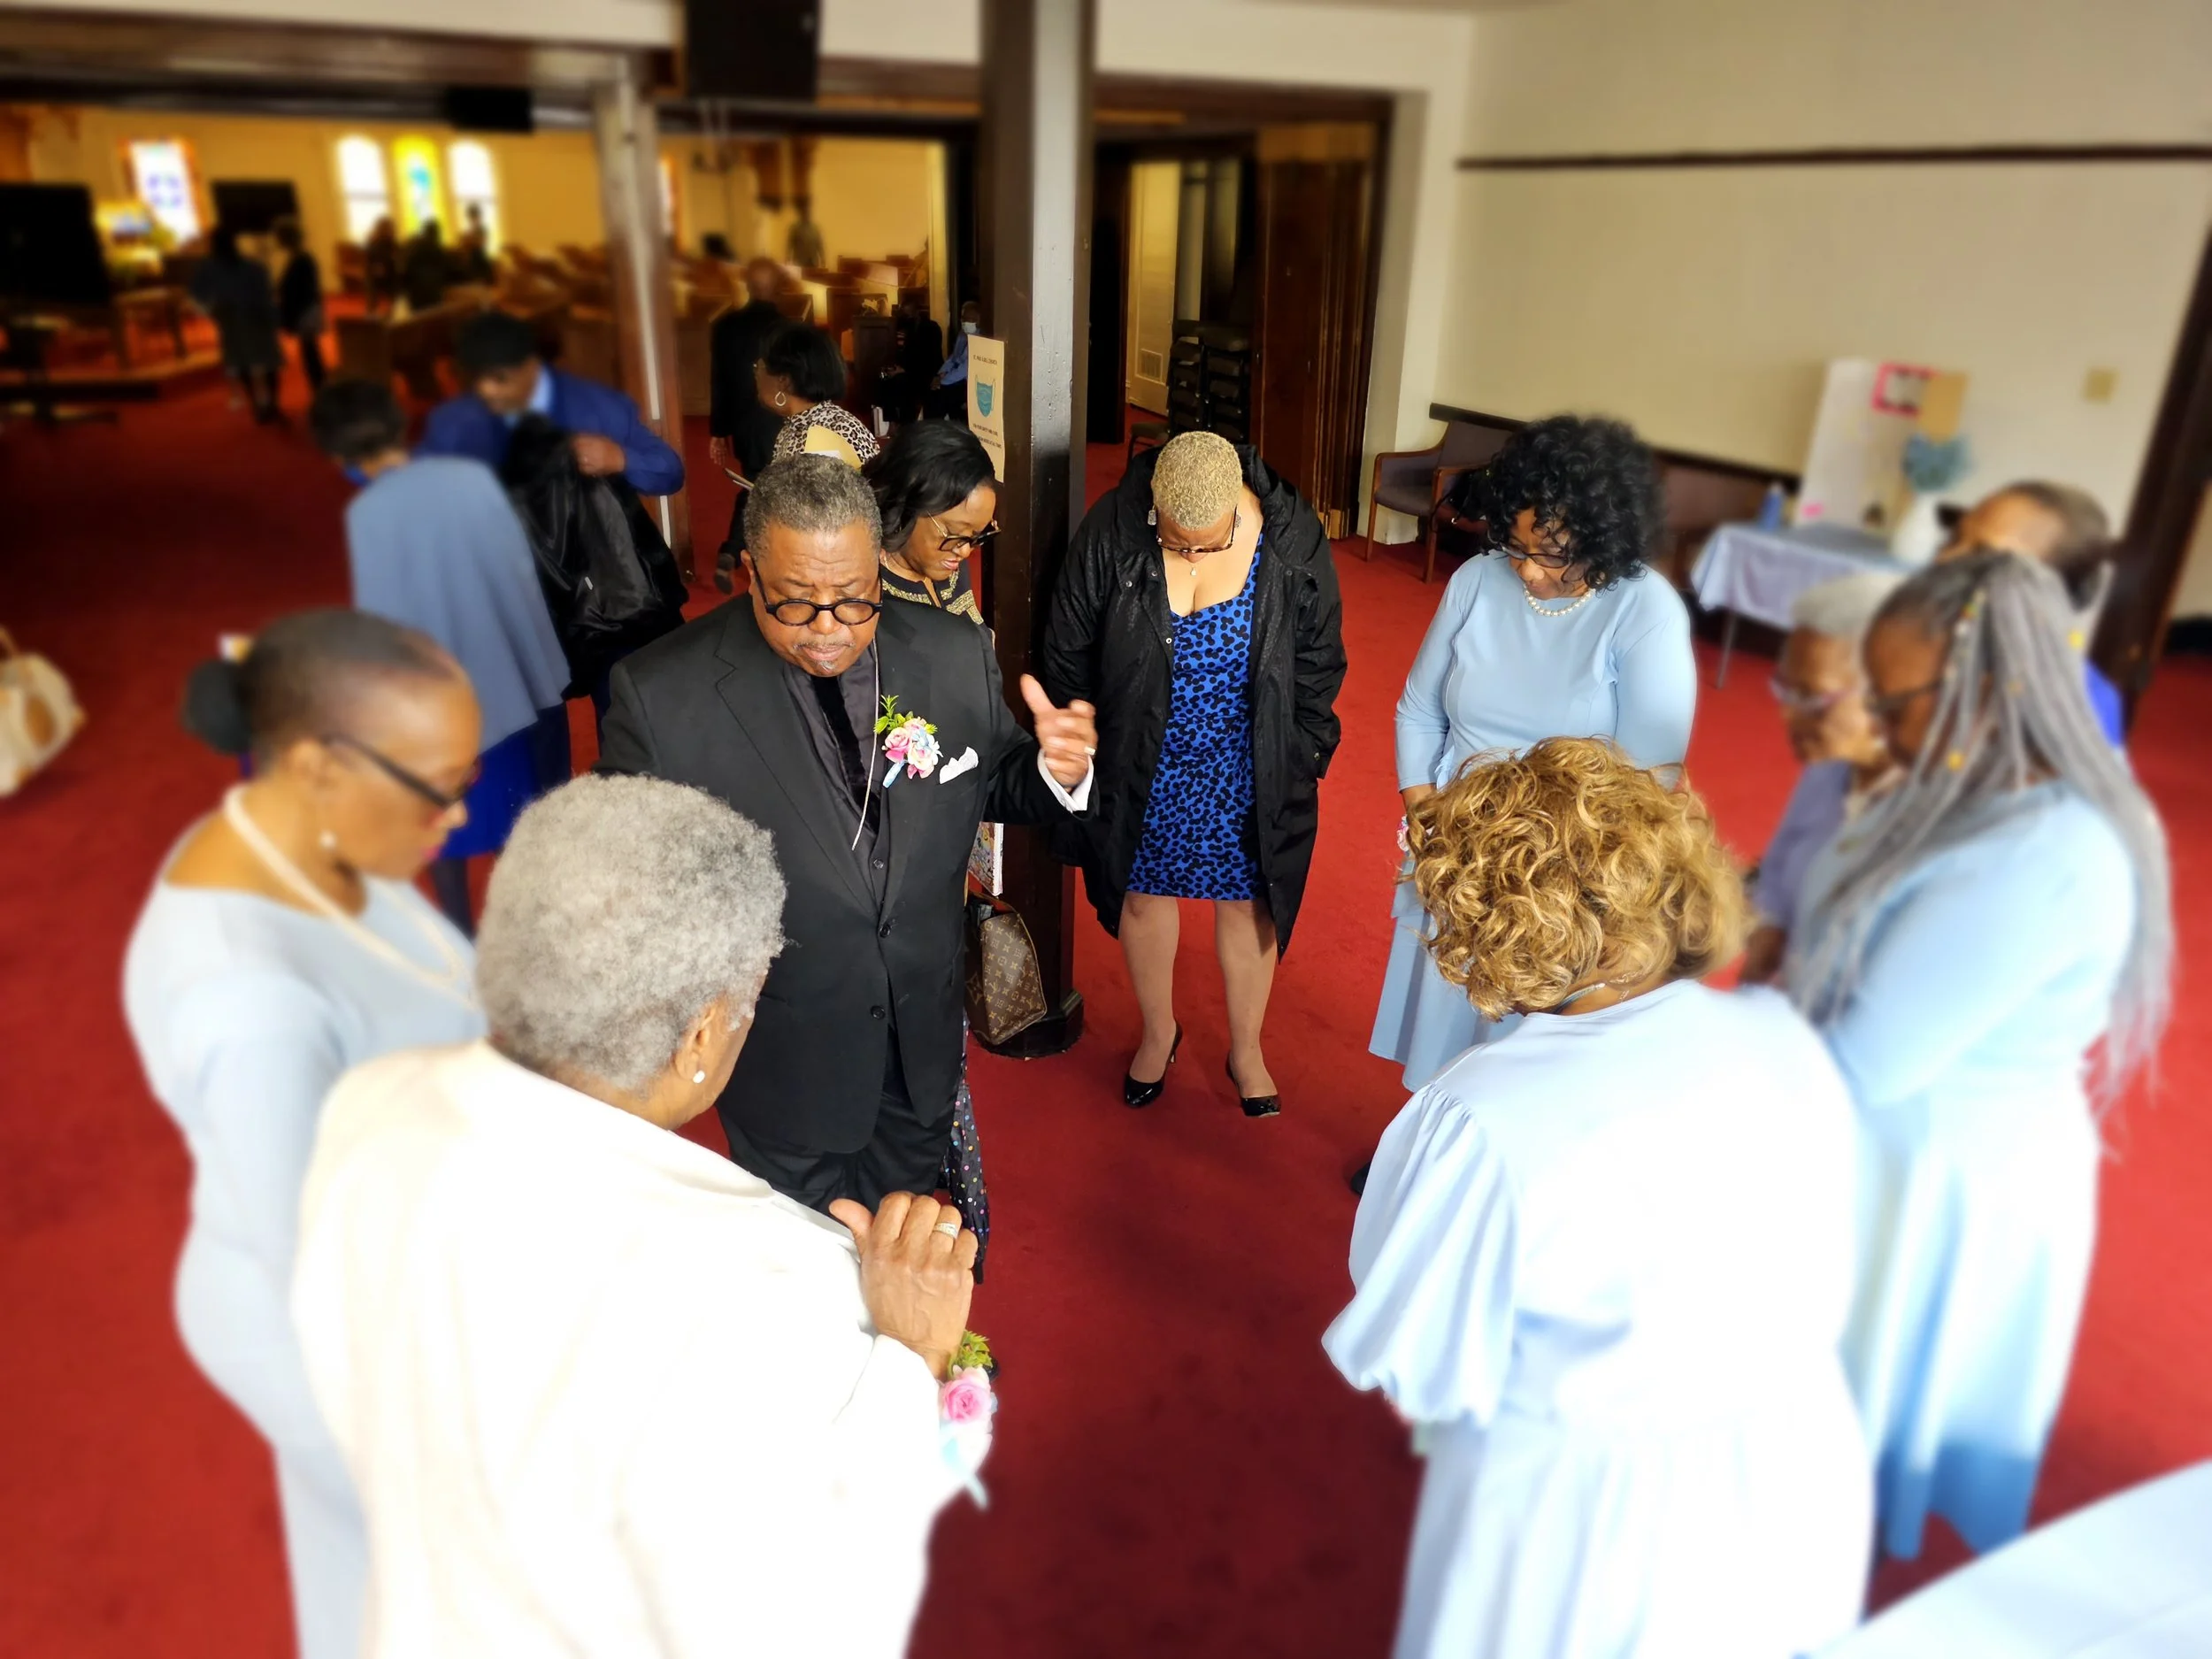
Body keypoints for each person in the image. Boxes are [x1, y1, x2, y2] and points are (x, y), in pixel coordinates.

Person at [292, 774, 989, 1657]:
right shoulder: (793, 1275)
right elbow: (826, 1596)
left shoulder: (364, 1107)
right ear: (700, 1037)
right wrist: (914, 1356)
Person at [1325, 739, 1870, 1659]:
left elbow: (1420, 1359)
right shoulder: (1781, 1038)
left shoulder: (1476, 1116)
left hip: (1586, 1524)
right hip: (1797, 1470)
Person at [1788, 551, 2172, 1562]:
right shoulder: (1961, 780)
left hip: (1933, 1168)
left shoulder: (2044, 860)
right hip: (1884, 1134)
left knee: (1846, 1428)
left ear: (1983, 690)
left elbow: (1862, 1060)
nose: (1874, 714)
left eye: (1893, 695)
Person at [122, 611, 487, 1659]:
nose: (457, 814)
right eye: (438, 784)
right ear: (322, 763)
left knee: (360, 1574)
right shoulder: (252, 1000)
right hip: (339, 1333)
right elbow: (321, 1266)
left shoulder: (308, 833)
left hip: (394, 1255)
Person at [597, 456, 1098, 1213]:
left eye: (855, 601)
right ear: (750, 575)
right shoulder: (662, 696)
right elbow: (628, 893)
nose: (829, 629)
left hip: (921, 1042)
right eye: (797, 604)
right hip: (787, 1062)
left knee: (904, 1236)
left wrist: (1058, 770)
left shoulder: (953, 653)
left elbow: (989, 782)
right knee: (803, 1280)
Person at [1370, 415, 1694, 1092]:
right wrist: (1425, 810)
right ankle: (1429, 1138)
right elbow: (1418, 711)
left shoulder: (1644, 612)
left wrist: (1535, 869)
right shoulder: (1476, 583)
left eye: (1550, 555)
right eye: (1514, 545)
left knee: (1523, 1046)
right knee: (1444, 1015)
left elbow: (1645, 788)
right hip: (1454, 849)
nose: (1525, 569)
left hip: (1562, 876)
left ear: (1605, 540)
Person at [1042, 431, 1346, 1115]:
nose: (1193, 555)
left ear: (1239, 507)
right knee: (1142, 896)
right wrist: (1080, 734)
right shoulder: (1113, 532)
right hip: (1141, 754)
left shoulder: (1291, 538)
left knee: (1249, 902)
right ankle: (1159, 1031)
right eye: (1179, 542)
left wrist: (1303, 753)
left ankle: (1246, 1047)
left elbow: (1320, 658)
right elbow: (1068, 645)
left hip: (1248, 756)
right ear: (1154, 508)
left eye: (1210, 542)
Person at [308, 378, 573, 933]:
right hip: (519, 678)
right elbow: (522, 577)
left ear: (337, 452)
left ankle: (461, 933)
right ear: (399, 423)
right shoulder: (472, 478)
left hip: (447, 698)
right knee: (525, 817)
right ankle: (531, 934)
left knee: (444, 828)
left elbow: (390, 629)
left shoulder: (370, 512)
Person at [1738, 570, 1903, 986]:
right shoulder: (1830, 768)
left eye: (1812, 696)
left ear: (1889, 691)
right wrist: (1769, 929)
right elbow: (1777, 869)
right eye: (1785, 689)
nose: (1787, 714)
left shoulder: (1934, 818)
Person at [419, 309, 685, 499]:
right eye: (477, 379)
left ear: (531, 367)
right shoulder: (454, 419)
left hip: (581, 568)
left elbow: (670, 473)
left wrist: (621, 459)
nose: (486, 391)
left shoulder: (597, 409)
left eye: (500, 379)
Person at [1939, 480, 2125, 742]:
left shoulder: (2084, 706)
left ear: (2054, 594)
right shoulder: (1905, 638)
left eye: (1984, 557)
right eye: (1954, 539)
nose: (1946, 559)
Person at [709, 257, 796, 591]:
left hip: (743, 424)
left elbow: (718, 382)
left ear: (747, 285)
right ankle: (750, 554)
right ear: (777, 287)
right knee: (769, 489)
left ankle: (733, 551)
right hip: (780, 419)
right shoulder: (789, 329)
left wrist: (718, 432)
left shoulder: (725, 326)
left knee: (755, 484)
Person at [867, 418, 996, 622]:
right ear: (906, 503)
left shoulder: (949, 556)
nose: (964, 551)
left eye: (975, 536)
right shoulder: (868, 593)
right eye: (953, 533)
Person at [188, 225, 284, 423]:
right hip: (257, 318)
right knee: (267, 362)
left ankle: (257, 404)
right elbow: (267, 294)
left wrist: (214, 311)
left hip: (233, 321)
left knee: (243, 363)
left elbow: (197, 296)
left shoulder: (209, 268)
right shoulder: (252, 266)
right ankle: (272, 403)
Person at [760, 319, 879, 469]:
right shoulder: (798, 425)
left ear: (784, 380)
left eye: (759, 368)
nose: (756, 376)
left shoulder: (822, 436)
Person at [273, 218, 326, 394]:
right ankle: (320, 388)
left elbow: (300, 290)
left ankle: (320, 389)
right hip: (307, 309)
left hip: (306, 311)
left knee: (311, 354)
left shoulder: (302, 260)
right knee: (311, 353)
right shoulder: (301, 258)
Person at [926, 301, 980, 422]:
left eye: (971, 319)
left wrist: (943, 381)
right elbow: (953, 358)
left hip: (968, 382)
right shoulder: (962, 335)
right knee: (931, 391)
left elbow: (965, 368)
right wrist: (939, 375)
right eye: (964, 319)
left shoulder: (981, 339)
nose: (966, 323)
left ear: (978, 320)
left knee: (943, 394)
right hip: (955, 378)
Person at [399, 216, 450, 311]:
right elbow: (446, 268)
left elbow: (406, 268)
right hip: (432, 290)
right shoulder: (436, 248)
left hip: (415, 291)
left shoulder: (413, 246)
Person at [361, 216, 401, 317]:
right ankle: (371, 312)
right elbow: (370, 262)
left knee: (398, 285)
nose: (390, 231)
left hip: (390, 275)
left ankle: (394, 311)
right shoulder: (374, 244)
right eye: (388, 229)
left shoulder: (393, 244)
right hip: (376, 275)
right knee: (371, 284)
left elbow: (397, 259)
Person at [787, 201, 826, 270]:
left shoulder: (815, 229)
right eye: (804, 210)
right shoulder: (795, 228)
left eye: (808, 210)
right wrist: (788, 259)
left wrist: (823, 259)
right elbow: (790, 245)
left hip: (813, 263)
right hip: (799, 263)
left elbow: (819, 245)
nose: (806, 212)